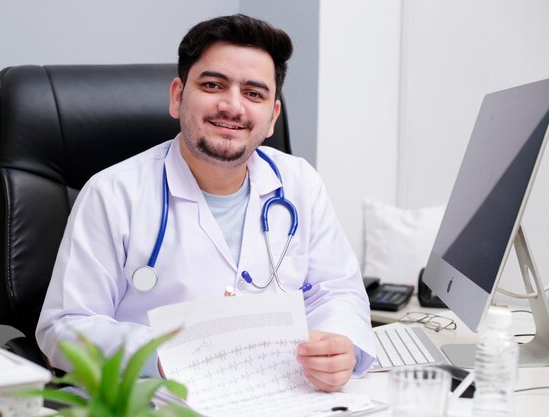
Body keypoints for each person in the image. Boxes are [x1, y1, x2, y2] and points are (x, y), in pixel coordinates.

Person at [36, 14, 375, 392]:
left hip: (280, 393)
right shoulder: (112, 193)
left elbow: (339, 291)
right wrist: (162, 355)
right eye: (214, 85)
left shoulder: (300, 183)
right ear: (178, 96)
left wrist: (337, 344)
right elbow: (64, 327)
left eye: (254, 93)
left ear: (272, 117)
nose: (232, 106)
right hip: (159, 400)